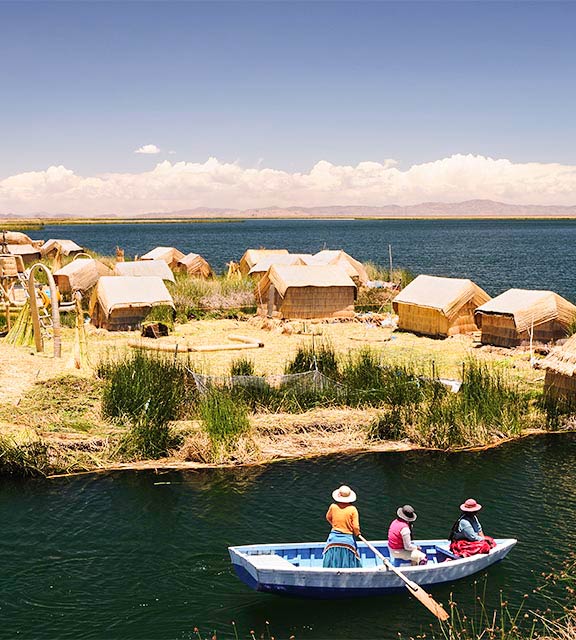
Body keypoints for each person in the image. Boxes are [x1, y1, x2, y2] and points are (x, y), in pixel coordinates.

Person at [322, 485, 362, 568]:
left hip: (333, 539)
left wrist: (334, 525)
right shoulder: (353, 509)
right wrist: (357, 533)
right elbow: (355, 527)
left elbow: (328, 517)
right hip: (348, 540)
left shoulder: (333, 506)